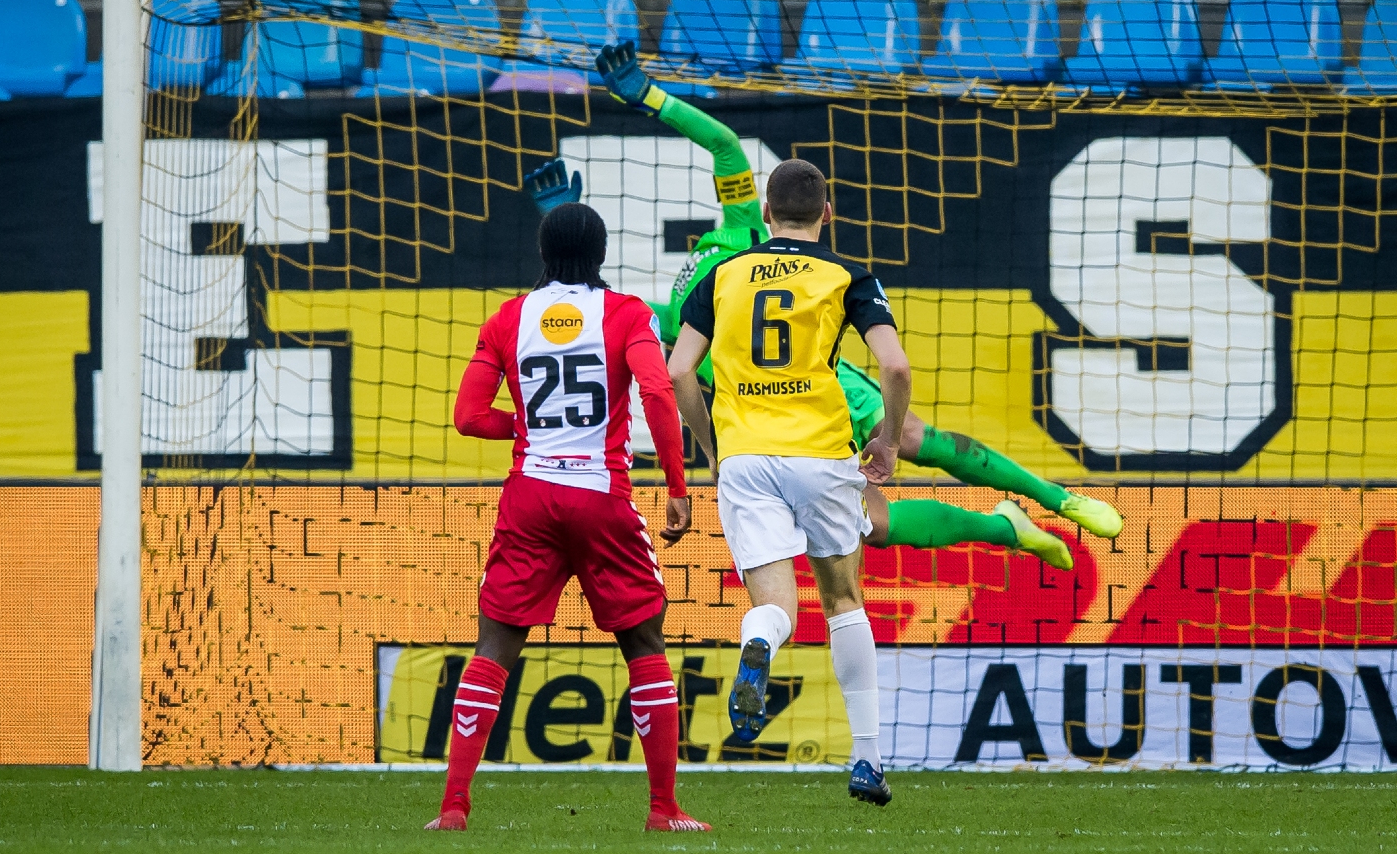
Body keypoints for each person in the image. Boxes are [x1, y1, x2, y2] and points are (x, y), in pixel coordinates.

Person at [539, 42, 1121, 568]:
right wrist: (563, 228)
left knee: (915, 439)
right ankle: (1006, 529)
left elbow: (722, 144)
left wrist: (652, 98)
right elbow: (600, 304)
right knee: (879, 525)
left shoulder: (742, 236)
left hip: (823, 385)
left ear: (767, 215)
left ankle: (1061, 498)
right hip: (771, 422)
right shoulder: (679, 309)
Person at [426, 201, 710, 833]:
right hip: (601, 497)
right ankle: (663, 810)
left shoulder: (507, 318)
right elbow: (659, 391)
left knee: (495, 643)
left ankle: (453, 808)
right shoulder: (627, 314)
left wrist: (527, 427)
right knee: (644, 640)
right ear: (601, 253)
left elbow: (469, 418)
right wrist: (676, 485)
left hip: (529, 497)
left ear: (542, 254)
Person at [667, 157, 914, 806]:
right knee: (843, 600)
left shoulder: (722, 273)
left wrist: (710, 446)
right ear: (826, 215)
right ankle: (867, 760)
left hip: (747, 457)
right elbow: (894, 364)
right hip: (823, 456)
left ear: (767, 215)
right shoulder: (846, 275)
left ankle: (757, 640)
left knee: (776, 605)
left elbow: (678, 371)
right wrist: (886, 440)